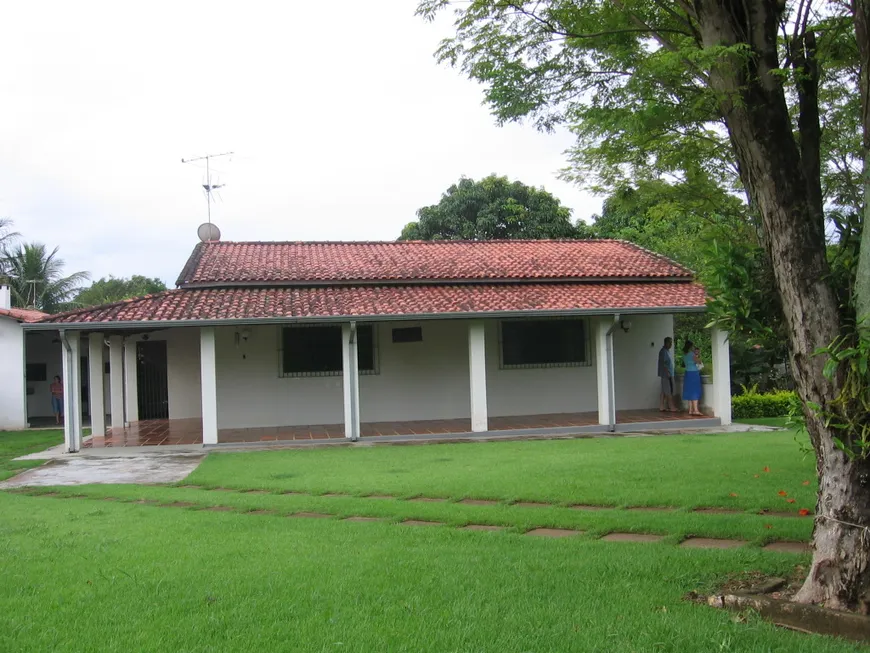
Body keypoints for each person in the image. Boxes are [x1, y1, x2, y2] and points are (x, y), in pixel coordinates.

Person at [681, 341, 703, 416]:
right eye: (693, 346)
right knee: (695, 390)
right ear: (691, 347)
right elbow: (699, 362)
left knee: (689, 390)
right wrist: (698, 356)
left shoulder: (684, 355)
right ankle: (696, 410)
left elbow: (684, 364)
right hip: (694, 373)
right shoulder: (692, 354)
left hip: (687, 373)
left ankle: (690, 409)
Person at [657, 337, 677, 412]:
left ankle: (661, 406)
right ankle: (672, 407)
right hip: (666, 374)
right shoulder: (663, 352)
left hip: (668, 373)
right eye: (670, 342)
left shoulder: (667, 351)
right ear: (666, 342)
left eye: (671, 343)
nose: (671, 344)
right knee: (669, 391)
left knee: (663, 391)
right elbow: (664, 364)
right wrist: (667, 372)